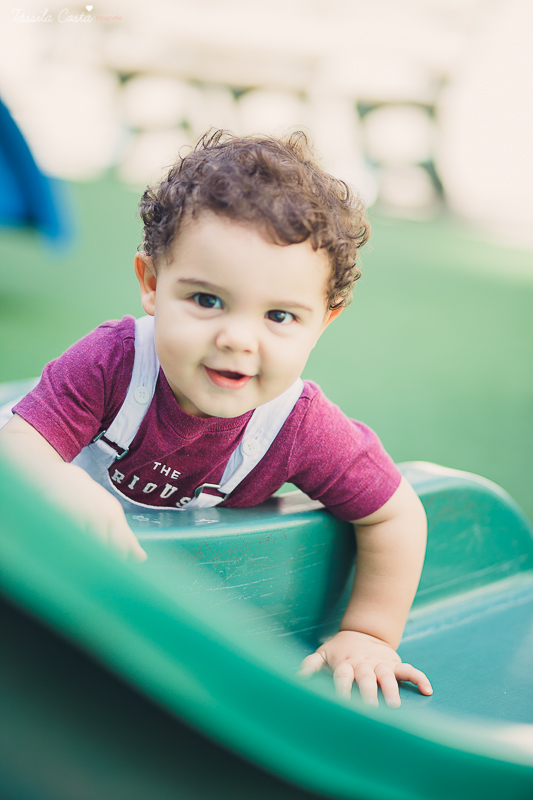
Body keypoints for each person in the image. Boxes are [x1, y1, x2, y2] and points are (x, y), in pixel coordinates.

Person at [0, 130, 432, 708]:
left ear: (322, 322)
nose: (237, 338)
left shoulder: (299, 426)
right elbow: (16, 448)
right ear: (153, 284)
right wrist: (57, 482)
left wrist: (369, 633)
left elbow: (396, 514)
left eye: (280, 316)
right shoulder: (112, 361)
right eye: (207, 300)